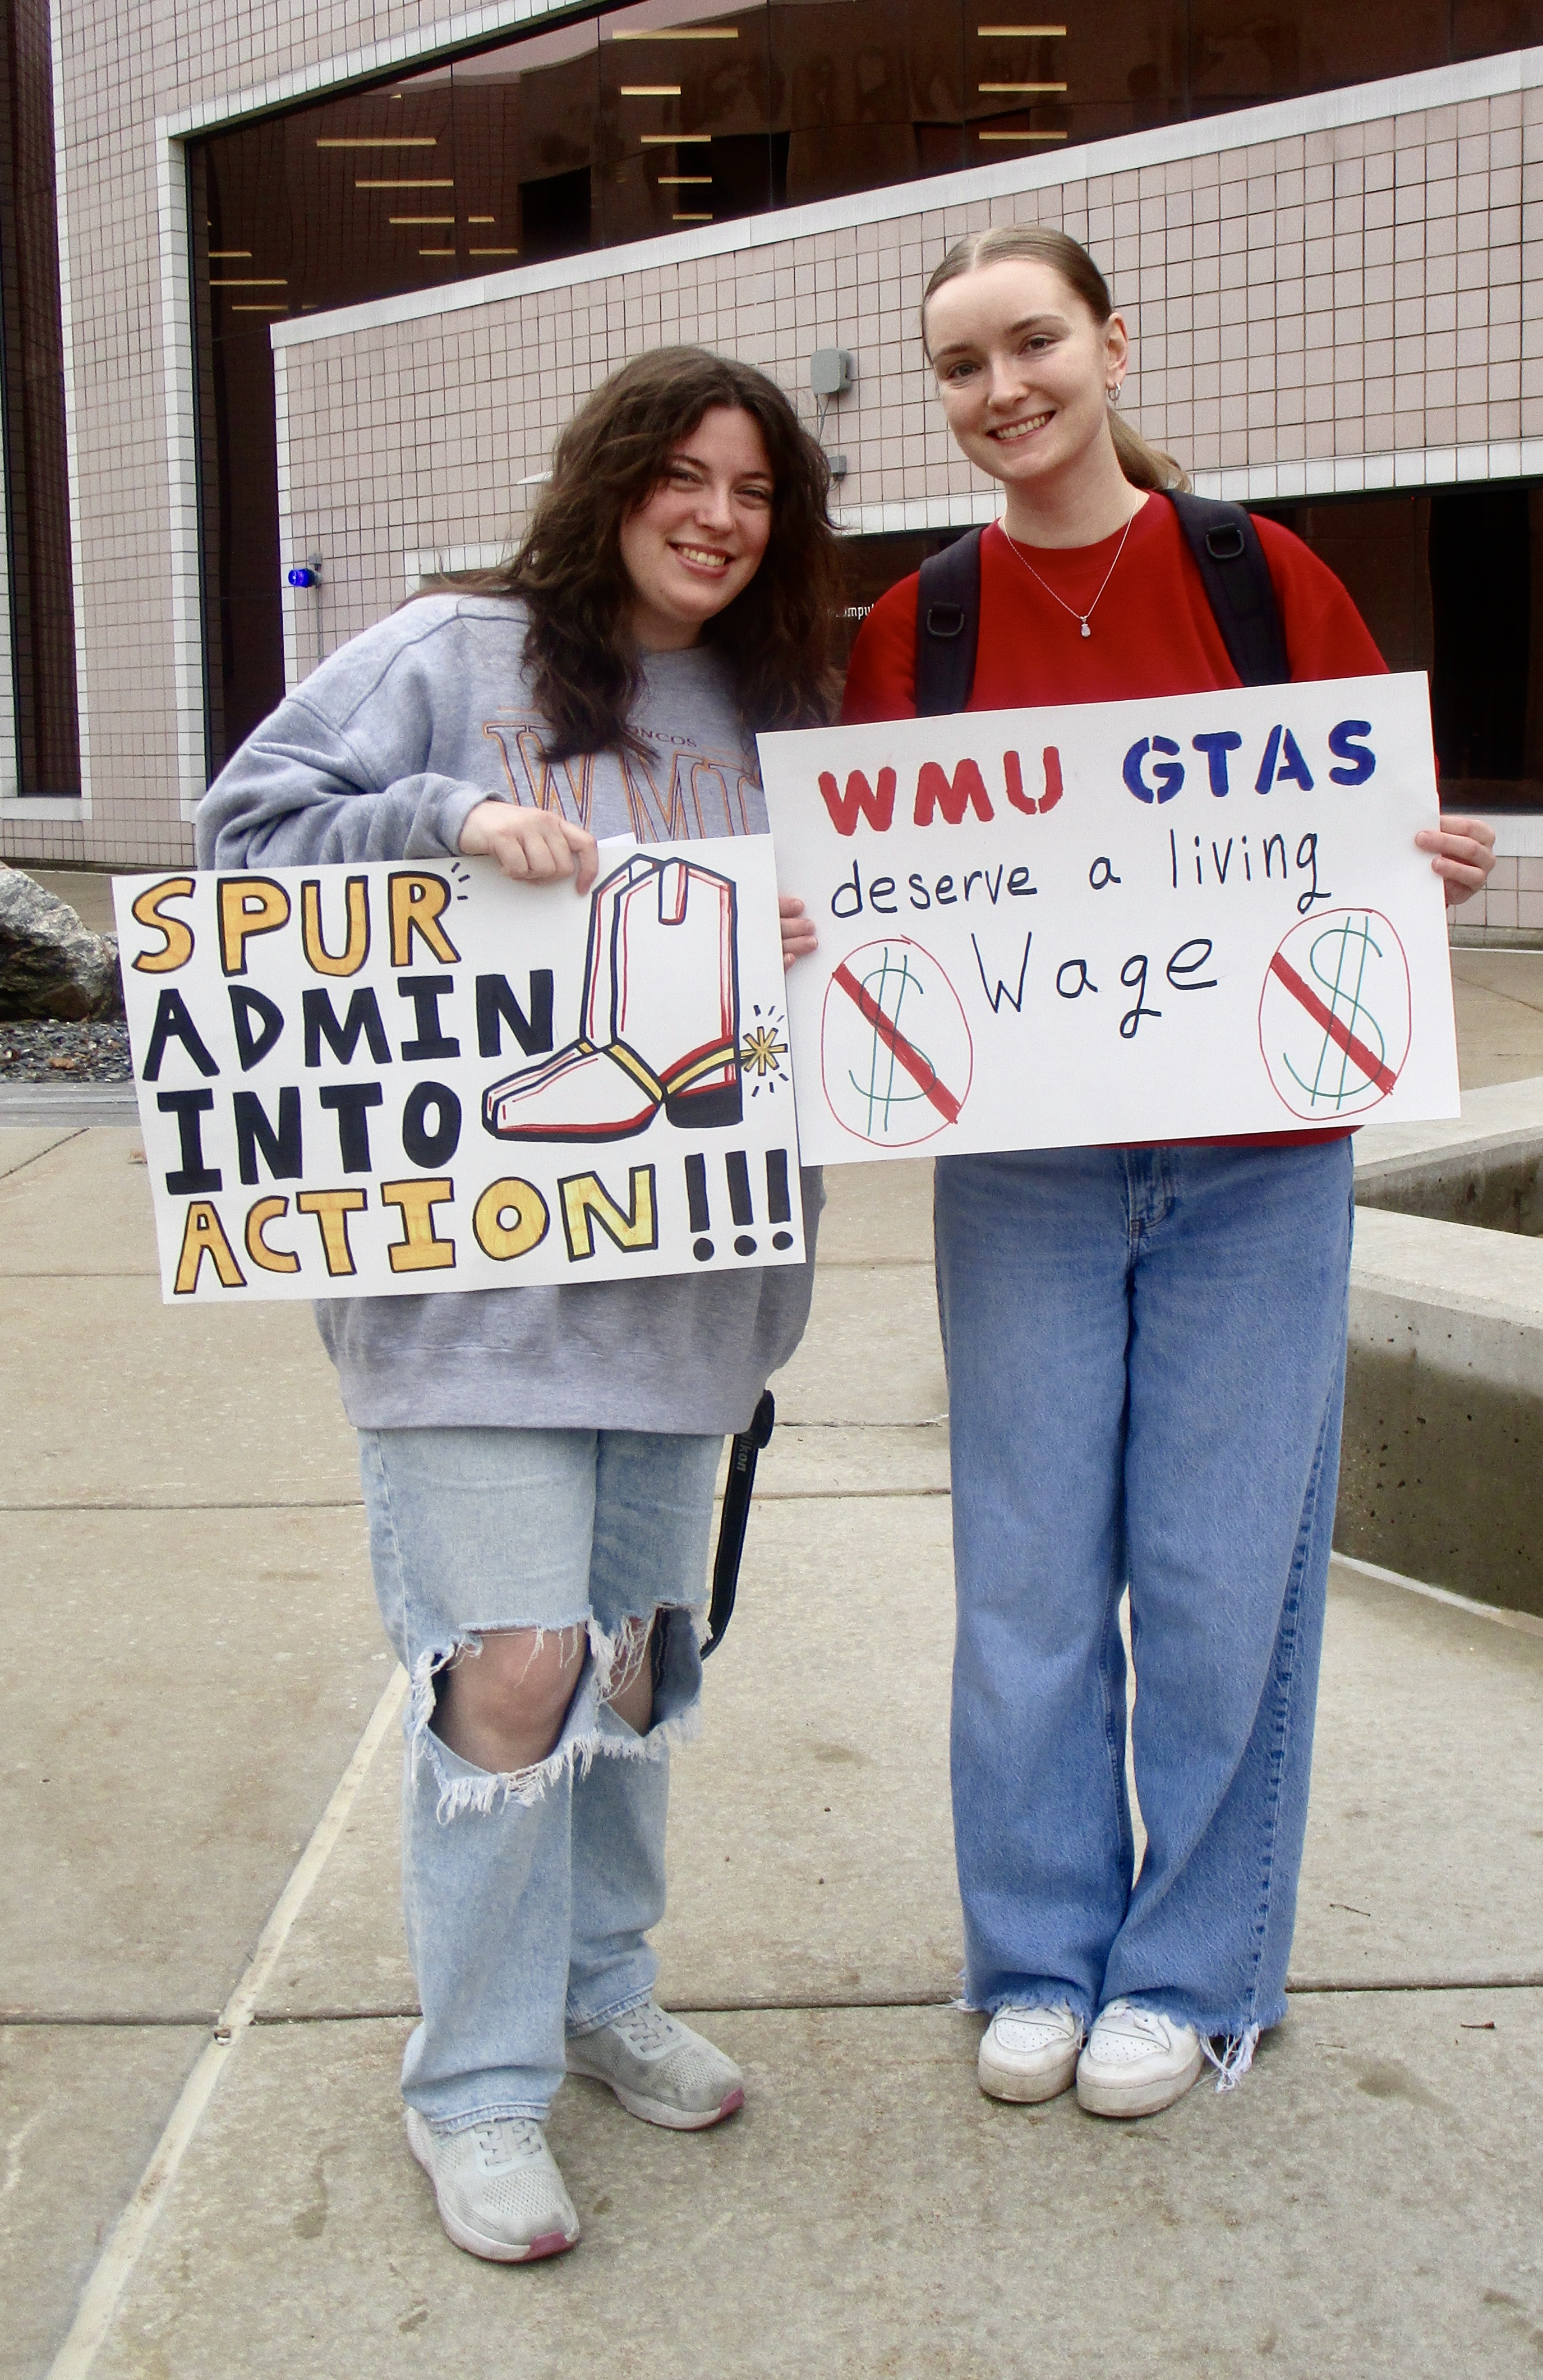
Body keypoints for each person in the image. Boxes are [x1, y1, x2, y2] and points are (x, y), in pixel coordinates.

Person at [822, 225, 1495, 2120]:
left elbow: (1377, 825)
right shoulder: (917, 628)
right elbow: (877, 904)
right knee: (1027, 1581)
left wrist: (1425, 861)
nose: (1000, 388)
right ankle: (1038, 1952)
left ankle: (1196, 1973)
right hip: (1023, 1174)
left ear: (1113, 345)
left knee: (1222, 1579)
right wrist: (815, 925)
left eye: (1030, 342)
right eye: (959, 365)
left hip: (1260, 1165)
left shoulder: (1260, 574)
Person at [197, 348, 838, 2258]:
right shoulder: (453, 655)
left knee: (635, 1660)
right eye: (686, 476)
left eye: (756, 490)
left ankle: (599, 1986)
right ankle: (474, 2088)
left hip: (694, 1286)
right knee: (512, 1669)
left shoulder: (788, 705)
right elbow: (243, 834)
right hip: (468, 1292)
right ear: (614, 481)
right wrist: (449, 830)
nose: (719, 516)